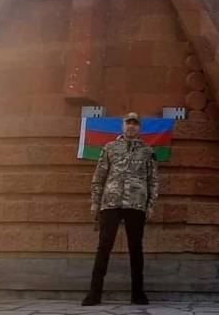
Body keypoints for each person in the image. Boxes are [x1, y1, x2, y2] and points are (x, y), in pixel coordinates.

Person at [82, 112, 159, 306]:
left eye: (135, 123)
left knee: (136, 248)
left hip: (136, 203)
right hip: (111, 202)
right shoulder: (109, 148)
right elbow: (99, 176)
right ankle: (94, 294)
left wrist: (151, 204)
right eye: (128, 123)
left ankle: (138, 294)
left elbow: (153, 180)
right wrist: (95, 201)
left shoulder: (147, 151)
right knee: (104, 246)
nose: (131, 126)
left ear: (139, 128)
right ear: (123, 126)